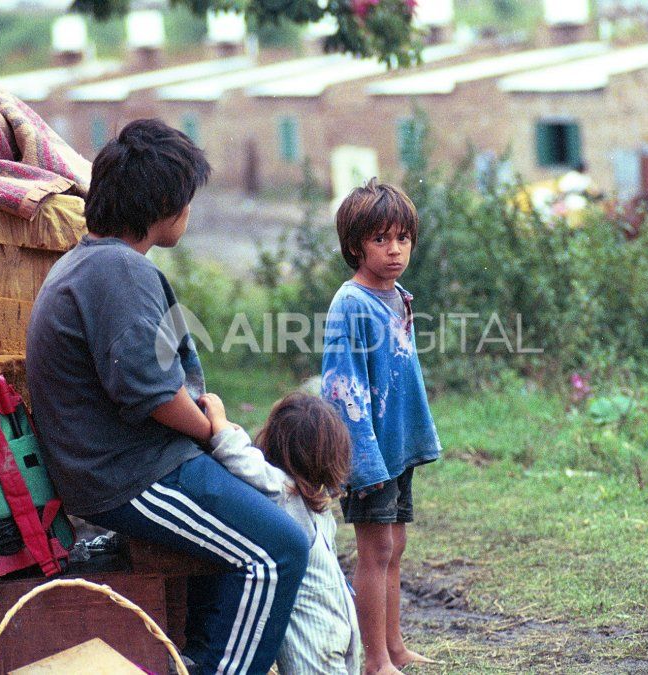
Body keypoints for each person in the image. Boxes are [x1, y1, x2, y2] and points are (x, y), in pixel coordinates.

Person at [25, 118, 309, 675]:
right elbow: (149, 393)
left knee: (246, 542)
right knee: (278, 552)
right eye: (186, 200)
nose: (189, 212)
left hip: (136, 464)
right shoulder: (117, 271)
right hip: (129, 474)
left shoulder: (95, 263)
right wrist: (215, 430)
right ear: (162, 206)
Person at [321, 178, 442, 675]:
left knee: (396, 546)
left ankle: (394, 646)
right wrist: (361, 462)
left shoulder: (397, 297)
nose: (394, 251)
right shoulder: (351, 304)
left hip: (396, 446)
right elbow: (340, 388)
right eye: (380, 240)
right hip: (367, 453)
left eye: (403, 239)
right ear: (355, 245)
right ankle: (373, 660)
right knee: (374, 551)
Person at [199, 391, 362, 675]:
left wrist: (220, 423)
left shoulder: (283, 492)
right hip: (340, 626)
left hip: (313, 639)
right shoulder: (318, 508)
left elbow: (240, 459)